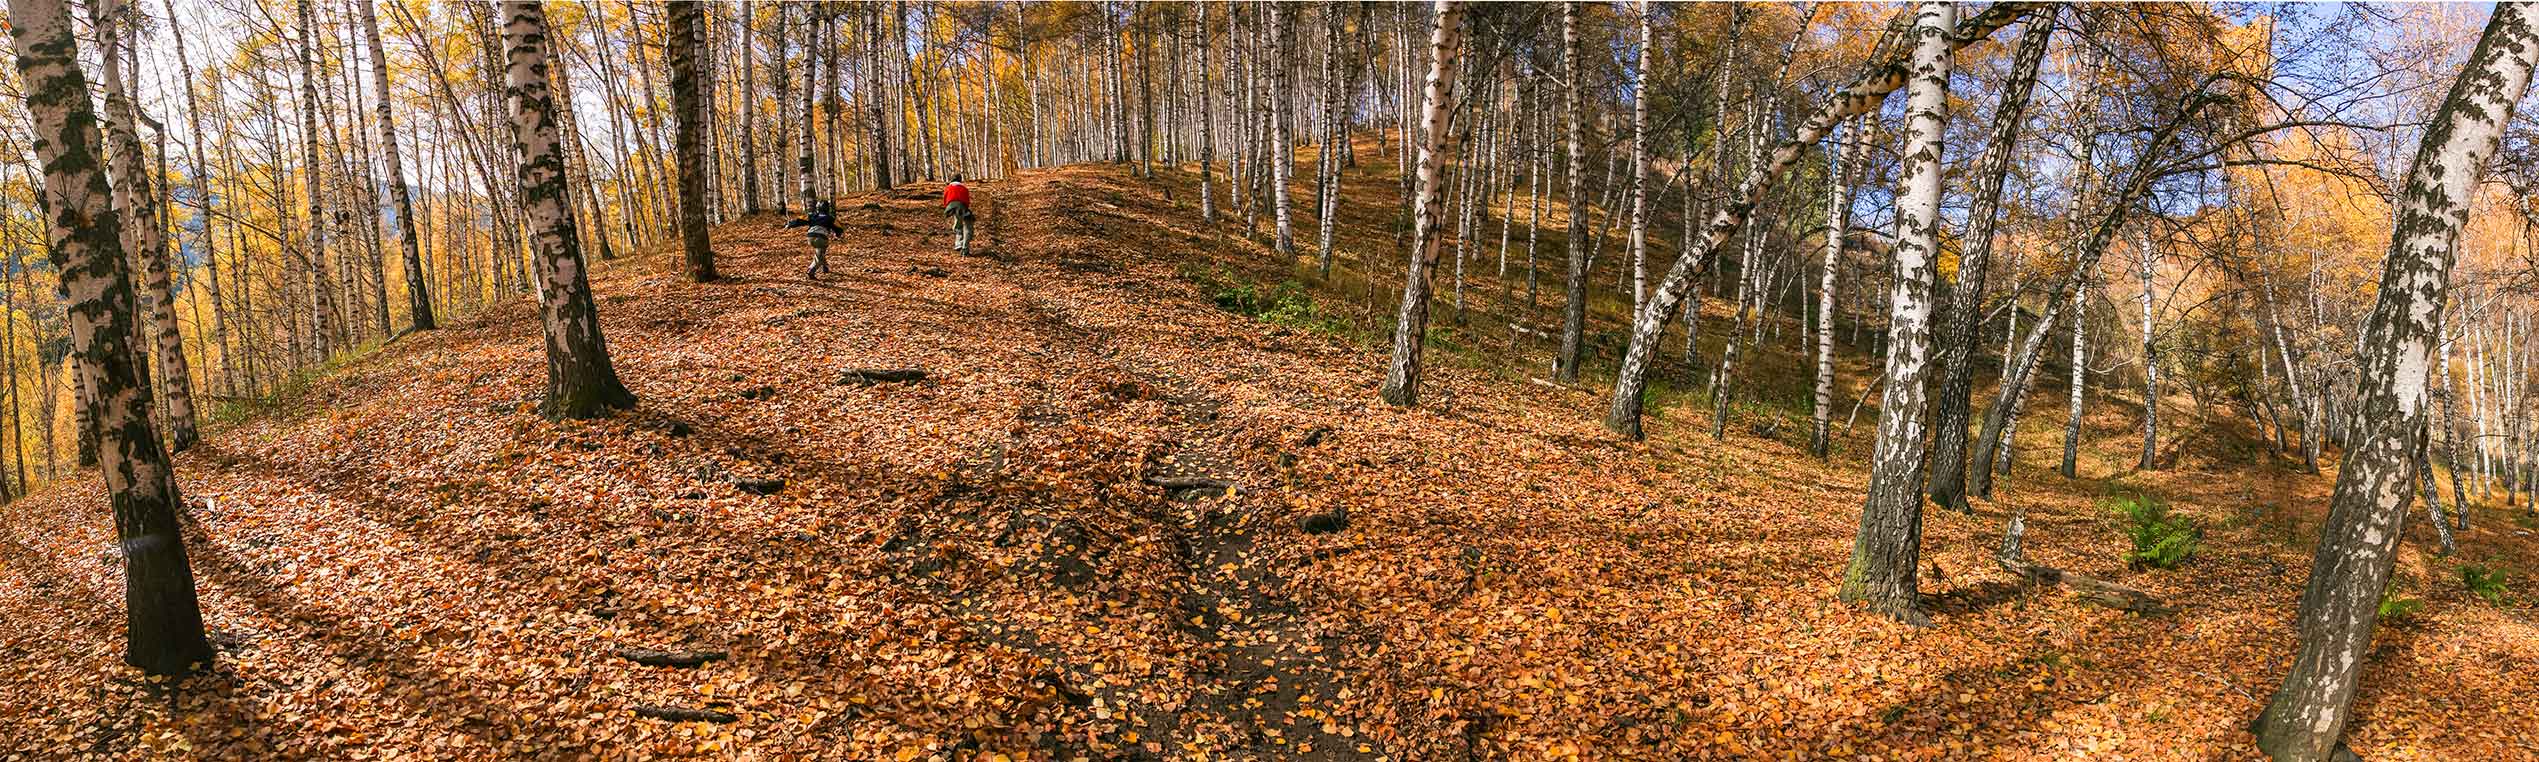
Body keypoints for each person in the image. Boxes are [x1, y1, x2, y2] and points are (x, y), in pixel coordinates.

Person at [783, 200, 843, 279]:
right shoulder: (830, 218)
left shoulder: (812, 215)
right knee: (819, 254)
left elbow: (799, 220)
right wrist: (838, 234)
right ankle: (811, 270)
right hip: (821, 238)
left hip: (810, 237)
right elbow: (839, 228)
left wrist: (789, 225)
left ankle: (825, 267)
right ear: (827, 209)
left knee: (820, 251)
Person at [943, 175, 975, 256]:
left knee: (958, 222)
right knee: (968, 226)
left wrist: (947, 208)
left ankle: (958, 243)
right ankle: (964, 247)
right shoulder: (963, 188)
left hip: (950, 207)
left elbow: (945, 199)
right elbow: (967, 201)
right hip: (961, 206)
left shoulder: (948, 188)